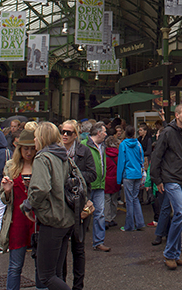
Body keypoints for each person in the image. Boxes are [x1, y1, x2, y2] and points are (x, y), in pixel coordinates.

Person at [27, 122, 88, 290]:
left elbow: (41, 188)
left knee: (46, 275)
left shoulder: (42, 158)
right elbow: (81, 182)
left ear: (41, 138)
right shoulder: (64, 156)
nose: (34, 140)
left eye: (36, 136)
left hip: (52, 219)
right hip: (67, 219)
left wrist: (29, 205)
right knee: (57, 273)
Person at [150, 103, 182, 270]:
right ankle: (170, 253)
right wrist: (157, 179)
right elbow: (157, 156)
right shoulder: (168, 133)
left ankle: (175, 254)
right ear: (176, 115)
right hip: (171, 178)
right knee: (181, 212)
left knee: (180, 216)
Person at [59, 120, 97, 290]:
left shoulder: (84, 151)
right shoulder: (56, 151)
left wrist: (75, 178)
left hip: (79, 203)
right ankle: (62, 284)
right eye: (62, 132)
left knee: (78, 247)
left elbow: (92, 174)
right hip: (62, 204)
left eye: (68, 132)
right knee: (61, 249)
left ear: (75, 135)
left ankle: (78, 286)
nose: (65, 135)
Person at [0, 129, 37, 290]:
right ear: (19, 149)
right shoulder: (10, 166)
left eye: (32, 148)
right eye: (25, 148)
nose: (28, 152)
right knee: (15, 266)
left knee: (41, 266)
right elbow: (4, 200)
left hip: (37, 221)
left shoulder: (40, 165)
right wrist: (7, 191)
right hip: (17, 221)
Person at [83, 122, 111, 252]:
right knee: (84, 213)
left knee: (99, 213)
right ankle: (79, 240)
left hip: (99, 184)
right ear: (98, 132)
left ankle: (99, 241)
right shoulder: (83, 145)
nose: (106, 134)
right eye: (104, 132)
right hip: (87, 185)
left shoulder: (102, 146)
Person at [117, 125, 146, 232]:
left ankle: (129, 225)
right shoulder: (138, 144)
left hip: (128, 174)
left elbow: (121, 162)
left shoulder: (123, 145)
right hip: (137, 173)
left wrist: (118, 179)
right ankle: (140, 222)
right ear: (134, 133)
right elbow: (141, 159)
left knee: (129, 200)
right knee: (135, 198)